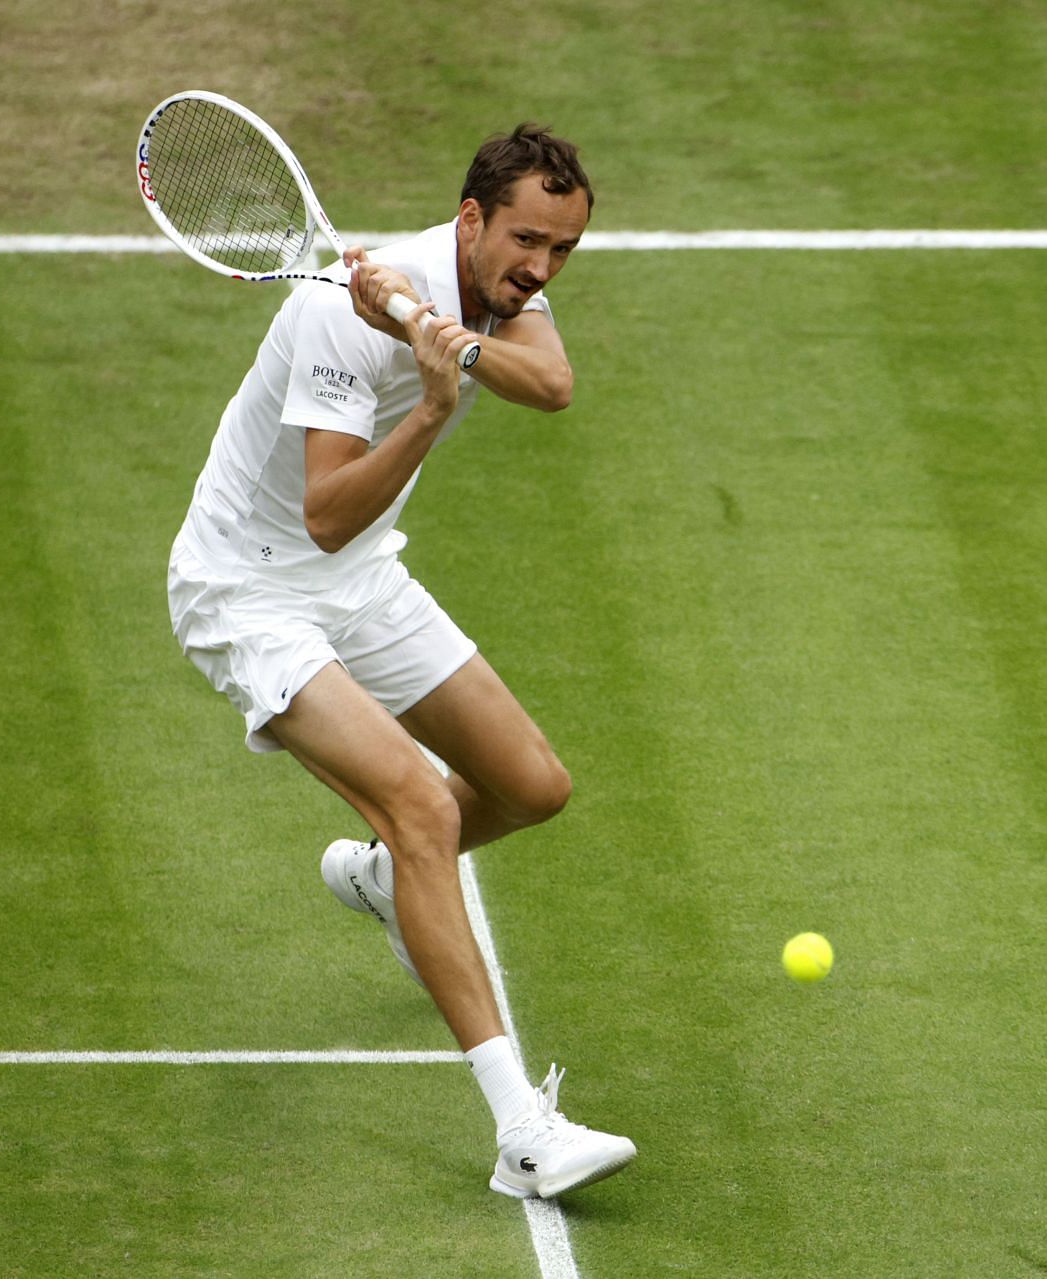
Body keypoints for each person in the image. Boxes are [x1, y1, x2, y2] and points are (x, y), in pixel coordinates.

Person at [166, 124, 635, 1199]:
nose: (542, 267)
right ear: (470, 220)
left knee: (531, 787)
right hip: (251, 593)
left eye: (563, 250)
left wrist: (438, 333)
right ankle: (524, 1134)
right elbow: (326, 514)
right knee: (425, 809)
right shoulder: (339, 310)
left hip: (362, 581)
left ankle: (385, 884)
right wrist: (429, 404)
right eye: (527, 240)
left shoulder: (496, 288)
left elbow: (550, 386)